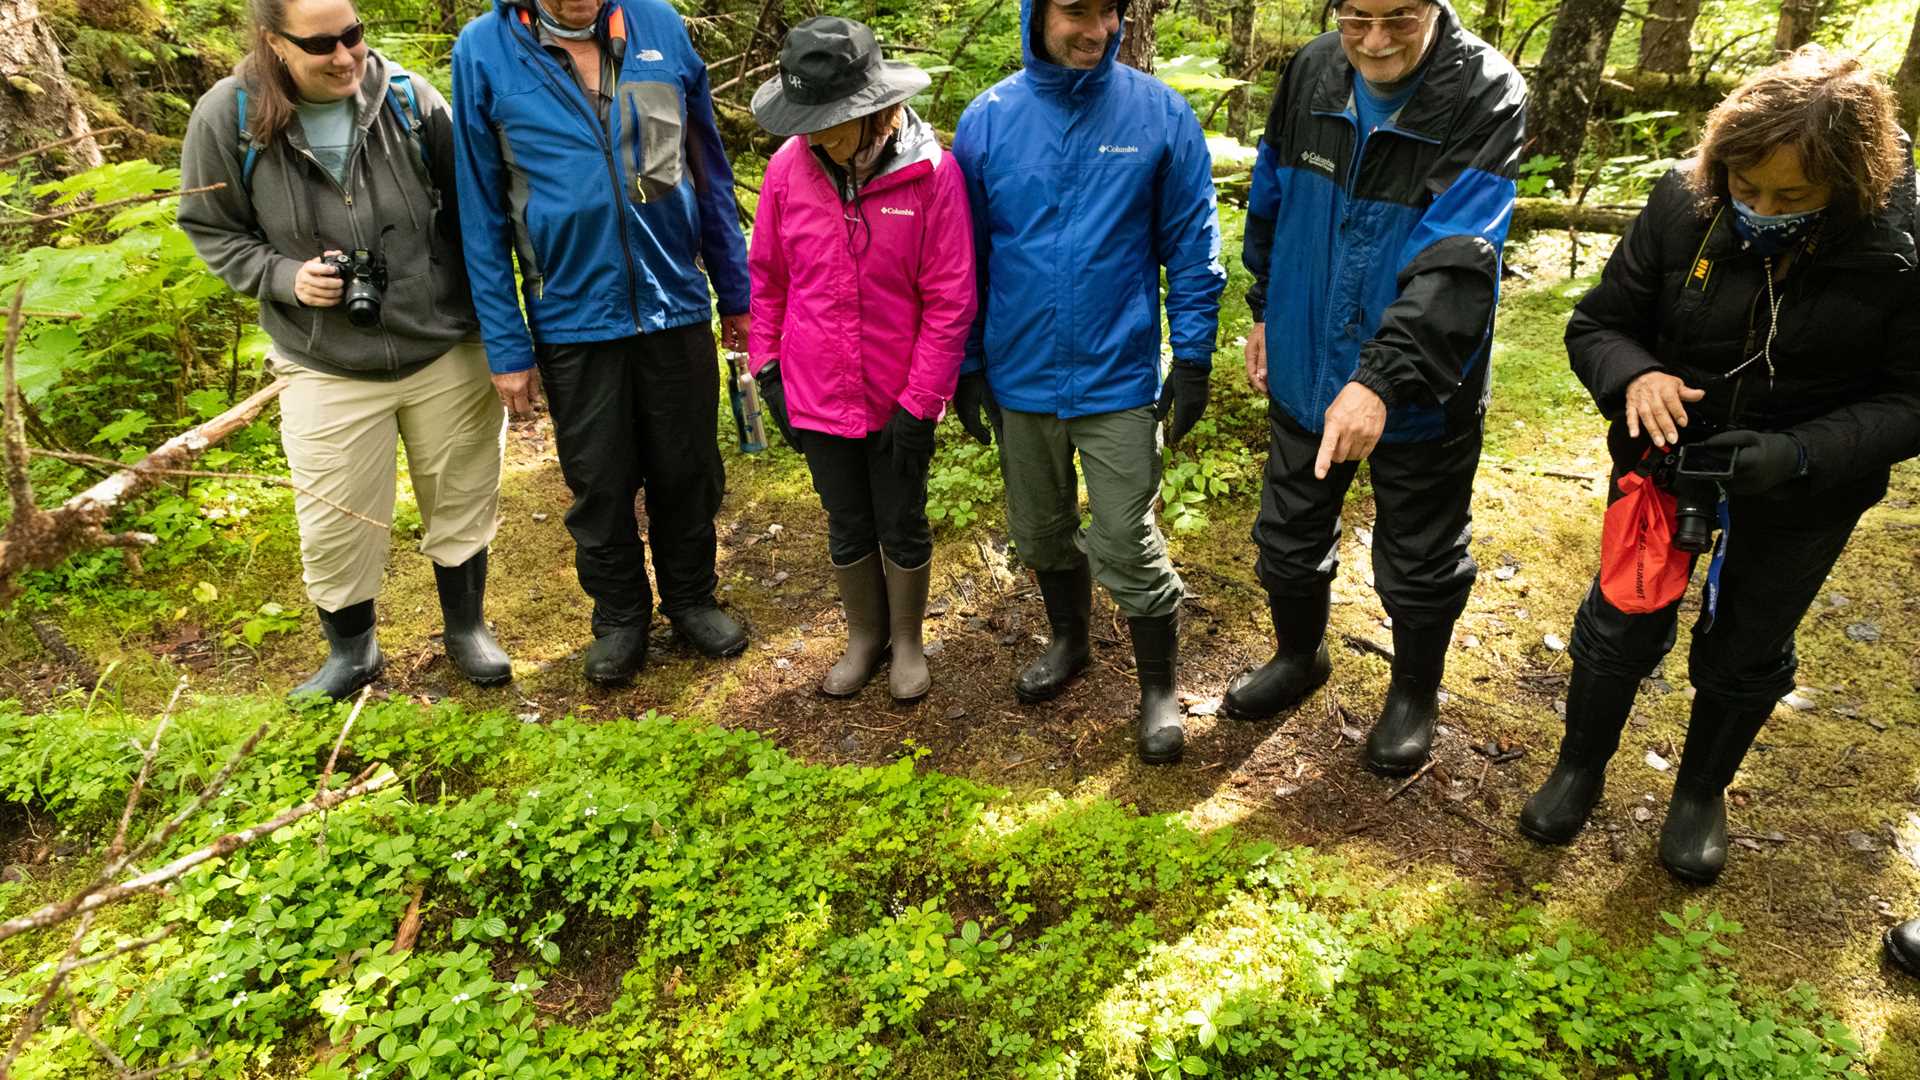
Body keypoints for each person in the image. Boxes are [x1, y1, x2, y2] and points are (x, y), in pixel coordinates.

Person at [1517, 47, 1920, 885]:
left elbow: (1912, 397)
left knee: (1751, 641)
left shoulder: (1901, 242)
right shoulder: (1684, 198)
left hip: (1807, 485)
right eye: (1746, 185)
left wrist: (1800, 453)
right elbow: (1598, 325)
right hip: (1666, 463)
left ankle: (1700, 792)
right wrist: (1636, 375)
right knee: (1621, 617)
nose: (1761, 209)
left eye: (1792, 197)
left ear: (1849, 182)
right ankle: (1578, 767)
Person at [1227, 0, 1525, 778]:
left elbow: (1458, 258)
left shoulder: (1484, 91)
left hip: (1424, 381)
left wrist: (1381, 379)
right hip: (1304, 355)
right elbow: (1272, 192)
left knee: (1421, 557)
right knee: (1287, 540)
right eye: (1356, 17)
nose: (1376, 41)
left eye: (1400, 18)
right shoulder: (1312, 69)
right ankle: (1299, 657)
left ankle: (1413, 696)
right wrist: (1264, 310)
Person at [180, 0, 510, 701]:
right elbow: (211, 227)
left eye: (353, 35)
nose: (344, 56)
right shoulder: (228, 116)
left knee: (461, 496)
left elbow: (478, 214)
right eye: (321, 44)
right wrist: (284, 277)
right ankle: (353, 652)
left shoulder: (409, 100)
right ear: (273, 42)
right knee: (334, 520)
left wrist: (500, 330)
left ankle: (466, 629)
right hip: (322, 358)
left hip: (442, 343)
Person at [951, 0, 1226, 764]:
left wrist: (1193, 356)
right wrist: (968, 364)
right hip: (1020, 373)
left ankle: (1158, 688)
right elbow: (963, 258)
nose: (1098, 30)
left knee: (1126, 537)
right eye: (1077, 9)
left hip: (1117, 376)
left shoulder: (1159, 115)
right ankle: (1069, 641)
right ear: (1037, 12)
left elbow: (1193, 244)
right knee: (1039, 528)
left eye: (1110, 10)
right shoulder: (988, 121)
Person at [451, 0, 753, 686]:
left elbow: (708, 169)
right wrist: (508, 344)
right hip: (570, 312)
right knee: (600, 481)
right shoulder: (484, 50)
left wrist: (734, 292)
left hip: (674, 300)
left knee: (687, 468)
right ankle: (620, 616)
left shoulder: (659, 25)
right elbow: (480, 209)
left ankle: (691, 598)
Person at [745, 18, 975, 702]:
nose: (813, 136)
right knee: (845, 519)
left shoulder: (931, 174)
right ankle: (864, 638)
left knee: (900, 518)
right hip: (814, 390)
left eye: (827, 122)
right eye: (805, 121)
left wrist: (922, 403)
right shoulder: (787, 169)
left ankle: (907, 641)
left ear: (875, 110)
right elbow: (769, 281)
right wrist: (767, 369)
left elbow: (951, 299)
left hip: (898, 393)